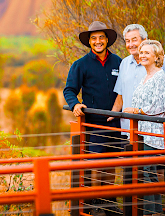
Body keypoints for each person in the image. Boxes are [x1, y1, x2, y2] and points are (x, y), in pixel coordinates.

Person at [63, 21, 122, 216]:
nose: (98, 42)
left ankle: (109, 201)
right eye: (94, 38)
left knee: (111, 162)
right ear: (89, 42)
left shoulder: (119, 63)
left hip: (115, 123)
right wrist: (75, 104)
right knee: (96, 162)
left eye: (101, 38)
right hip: (94, 123)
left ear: (107, 40)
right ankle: (95, 201)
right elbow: (69, 89)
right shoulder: (80, 65)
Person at [123, 40, 165, 215]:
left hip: (154, 133)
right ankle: (151, 212)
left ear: (156, 57)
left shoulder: (159, 76)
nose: (142, 55)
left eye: (147, 53)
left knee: (148, 173)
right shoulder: (146, 77)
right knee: (146, 174)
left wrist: (135, 110)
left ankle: (153, 213)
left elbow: (157, 107)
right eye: (141, 52)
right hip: (142, 131)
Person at [109, 24, 165, 138]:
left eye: (134, 40)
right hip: (127, 129)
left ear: (144, 40)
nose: (130, 44)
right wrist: (111, 115)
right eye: (127, 41)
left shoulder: (160, 62)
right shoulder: (124, 63)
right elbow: (121, 95)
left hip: (152, 130)